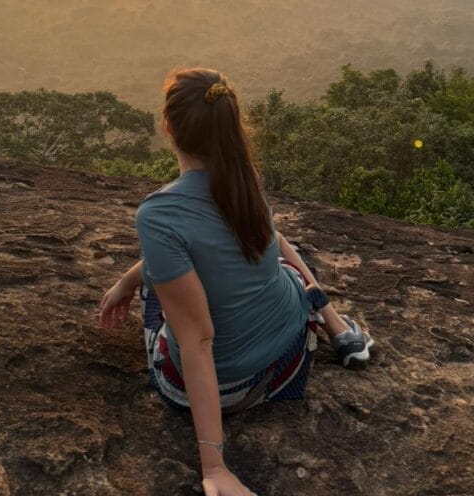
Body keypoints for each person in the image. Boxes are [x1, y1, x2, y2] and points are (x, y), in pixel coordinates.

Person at [98, 67, 374, 496]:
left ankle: (334, 325)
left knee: (166, 287)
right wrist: (129, 278)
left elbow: (198, 340)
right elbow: (266, 242)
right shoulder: (246, 180)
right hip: (289, 359)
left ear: (168, 126)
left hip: (232, 389)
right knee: (281, 254)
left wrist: (214, 466)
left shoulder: (158, 216)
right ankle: (336, 327)